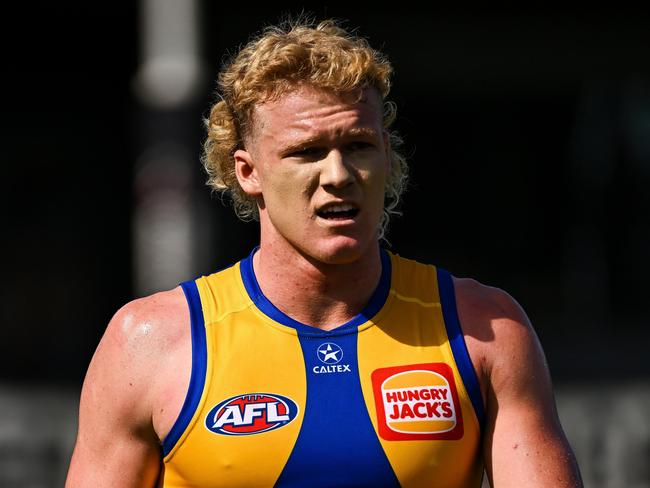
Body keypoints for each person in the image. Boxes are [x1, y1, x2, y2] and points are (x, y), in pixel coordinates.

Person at [66, 18, 583, 488]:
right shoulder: (150, 343)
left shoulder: (486, 328)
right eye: (307, 152)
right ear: (248, 172)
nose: (338, 176)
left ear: (386, 154)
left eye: (358, 145)